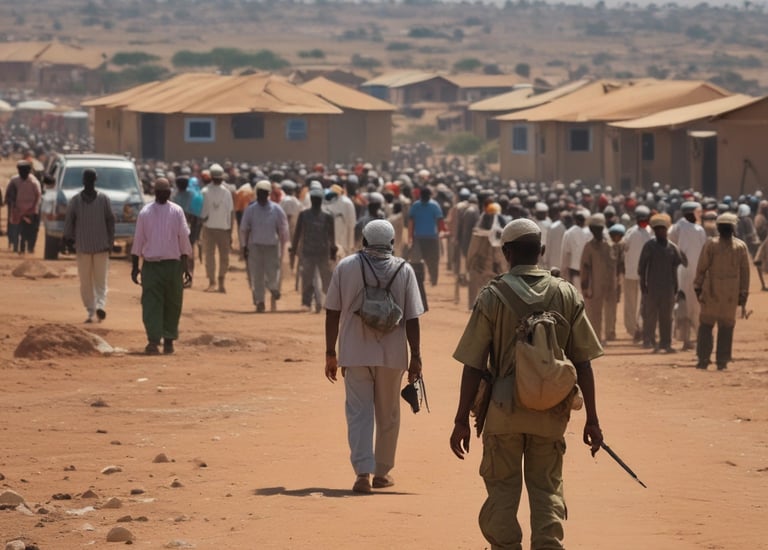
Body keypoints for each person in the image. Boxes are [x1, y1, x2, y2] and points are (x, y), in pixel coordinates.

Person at [450, 218, 603, 550]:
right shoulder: (566, 293)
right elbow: (584, 363)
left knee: (502, 490)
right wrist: (592, 419)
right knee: (548, 489)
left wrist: (461, 420)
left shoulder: (491, 296)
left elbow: (473, 364)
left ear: (506, 252)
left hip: (503, 409)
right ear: (542, 251)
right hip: (552, 409)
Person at [324, 219, 425, 494]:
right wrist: (415, 356)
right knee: (388, 413)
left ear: (363, 241)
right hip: (392, 353)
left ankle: (362, 473)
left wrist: (330, 353)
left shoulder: (345, 266)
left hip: (354, 351)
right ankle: (382, 472)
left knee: (359, 413)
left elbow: (332, 311)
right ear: (392, 243)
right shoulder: (404, 270)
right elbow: (413, 317)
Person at [130, 178, 193, 355]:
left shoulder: (177, 211)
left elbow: (183, 240)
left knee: (173, 303)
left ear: (169, 192)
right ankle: (153, 340)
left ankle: (169, 340)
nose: (163, 194)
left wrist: (185, 266)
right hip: (151, 265)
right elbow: (138, 241)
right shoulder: (145, 213)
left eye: (166, 191)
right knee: (151, 304)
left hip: (173, 265)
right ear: (156, 193)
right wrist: (135, 267)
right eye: (160, 191)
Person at [694, 213, 751, 370]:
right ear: (719, 228)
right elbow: (702, 267)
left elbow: (745, 272)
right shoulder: (712, 245)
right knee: (707, 326)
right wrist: (698, 286)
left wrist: (743, 293)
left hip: (726, 294)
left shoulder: (739, 247)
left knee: (723, 327)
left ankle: (720, 360)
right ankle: (705, 359)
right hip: (715, 291)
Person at [63, 168, 115, 323]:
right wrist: (68, 238)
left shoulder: (104, 199)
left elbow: (110, 221)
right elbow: (69, 221)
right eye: (88, 180)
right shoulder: (76, 201)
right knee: (87, 281)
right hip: (83, 246)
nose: (89, 182)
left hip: (100, 246)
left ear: (93, 181)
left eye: (91, 180)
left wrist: (110, 241)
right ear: (85, 181)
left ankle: (99, 307)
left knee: (99, 280)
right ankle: (92, 310)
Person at [240, 180, 290, 313]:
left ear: (268, 194)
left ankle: (273, 287)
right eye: (259, 193)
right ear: (257, 193)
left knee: (273, 272)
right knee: (257, 275)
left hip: (272, 246)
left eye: (264, 193)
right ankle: (260, 302)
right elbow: (244, 228)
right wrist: (244, 246)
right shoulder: (251, 209)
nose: (261, 195)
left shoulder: (276, 209)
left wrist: (284, 244)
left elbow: (283, 228)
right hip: (255, 246)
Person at [638, 213, 684, 353]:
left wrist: (676, 286)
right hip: (652, 287)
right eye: (657, 229)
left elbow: (676, 267)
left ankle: (666, 343)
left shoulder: (672, 248)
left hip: (668, 288)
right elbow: (642, 267)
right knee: (650, 316)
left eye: (663, 229)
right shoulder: (649, 246)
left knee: (667, 317)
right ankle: (650, 341)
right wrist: (643, 284)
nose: (660, 232)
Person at [668, 201, 707, 350]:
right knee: (694, 305)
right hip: (693, 272)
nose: (700, 214)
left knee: (683, 305)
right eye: (698, 212)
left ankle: (686, 339)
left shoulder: (676, 228)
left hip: (681, 272)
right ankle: (696, 337)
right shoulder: (699, 230)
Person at [290, 187, 336, 312]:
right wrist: (293, 249)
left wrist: (333, 252)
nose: (316, 202)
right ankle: (306, 302)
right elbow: (298, 233)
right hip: (308, 252)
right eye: (314, 199)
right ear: (311, 200)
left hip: (323, 252)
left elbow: (332, 236)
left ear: (321, 200)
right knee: (307, 279)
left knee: (326, 279)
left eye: (318, 199)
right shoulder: (304, 215)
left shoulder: (327, 216)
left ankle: (329, 301)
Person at [580, 213, 620, 344]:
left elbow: (615, 265)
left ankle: (609, 333)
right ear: (591, 230)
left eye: (600, 229)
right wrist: (585, 287)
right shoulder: (588, 246)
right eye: (595, 229)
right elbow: (585, 267)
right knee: (594, 313)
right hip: (595, 285)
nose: (598, 231)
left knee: (610, 311)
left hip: (610, 284)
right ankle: (596, 338)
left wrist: (617, 283)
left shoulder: (609, 245)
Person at [201, 163, 234, 293]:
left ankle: (219, 280)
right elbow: (230, 213)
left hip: (217, 228)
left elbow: (202, 213)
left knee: (216, 256)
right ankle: (214, 281)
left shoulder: (223, 192)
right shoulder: (208, 192)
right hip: (217, 228)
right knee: (214, 256)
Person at [623, 206, 652, 342]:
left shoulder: (651, 232)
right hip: (630, 273)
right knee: (631, 303)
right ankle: (633, 328)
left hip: (645, 275)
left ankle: (640, 328)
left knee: (643, 304)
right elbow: (624, 248)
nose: (643, 222)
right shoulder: (630, 232)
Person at [408, 186, 447, 286]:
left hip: (430, 237)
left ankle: (433, 280)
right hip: (423, 237)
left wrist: (410, 236)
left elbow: (439, 221)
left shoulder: (418, 205)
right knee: (421, 261)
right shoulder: (431, 205)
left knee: (431, 260)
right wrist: (410, 236)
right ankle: (423, 279)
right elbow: (411, 222)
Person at [8, 160, 41, 255]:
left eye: (24, 171)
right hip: (19, 210)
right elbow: (10, 195)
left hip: (31, 211)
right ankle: (20, 249)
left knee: (31, 230)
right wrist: (14, 207)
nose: (22, 173)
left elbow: (38, 196)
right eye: (20, 171)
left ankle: (30, 247)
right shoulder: (14, 181)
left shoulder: (34, 182)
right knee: (19, 230)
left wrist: (33, 208)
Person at [559, 208, 590, 290]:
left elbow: (564, 253)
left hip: (574, 271)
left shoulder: (568, 233)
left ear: (575, 220)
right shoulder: (588, 233)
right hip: (587, 271)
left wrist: (563, 271)